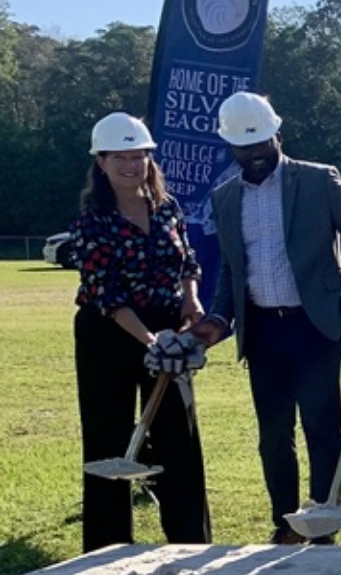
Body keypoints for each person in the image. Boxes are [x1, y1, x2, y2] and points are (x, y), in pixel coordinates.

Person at [189, 92, 341, 545]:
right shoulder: (224, 196)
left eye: (260, 144)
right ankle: (287, 523)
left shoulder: (318, 180)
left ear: (278, 134)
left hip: (315, 326)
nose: (253, 155)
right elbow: (231, 271)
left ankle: (323, 521)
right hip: (261, 330)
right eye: (243, 147)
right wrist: (217, 317)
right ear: (230, 147)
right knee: (273, 435)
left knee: (321, 427)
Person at [71, 112, 212, 551]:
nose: (132, 166)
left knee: (179, 437)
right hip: (109, 333)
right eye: (121, 158)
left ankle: (189, 542)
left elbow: (188, 262)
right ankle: (108, 548)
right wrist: (150, 342)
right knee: (108, 439)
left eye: (139, 157)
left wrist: (191, 300)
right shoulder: (93, 221)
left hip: (167, 327)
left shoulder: (166, 207)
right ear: (102, 162)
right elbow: (106, 294)